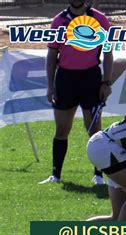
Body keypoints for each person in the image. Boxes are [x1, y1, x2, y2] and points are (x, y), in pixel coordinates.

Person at [39, 0, 113, 185]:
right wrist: (50, 85)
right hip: (65, 80)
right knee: (62, 129)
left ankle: (99, 176)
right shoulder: (58, 21)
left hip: (91, 79)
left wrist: (106, 82)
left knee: (94, 130)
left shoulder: (99, 18)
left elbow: (108, 52)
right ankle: (56, 175)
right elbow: (51, 54)